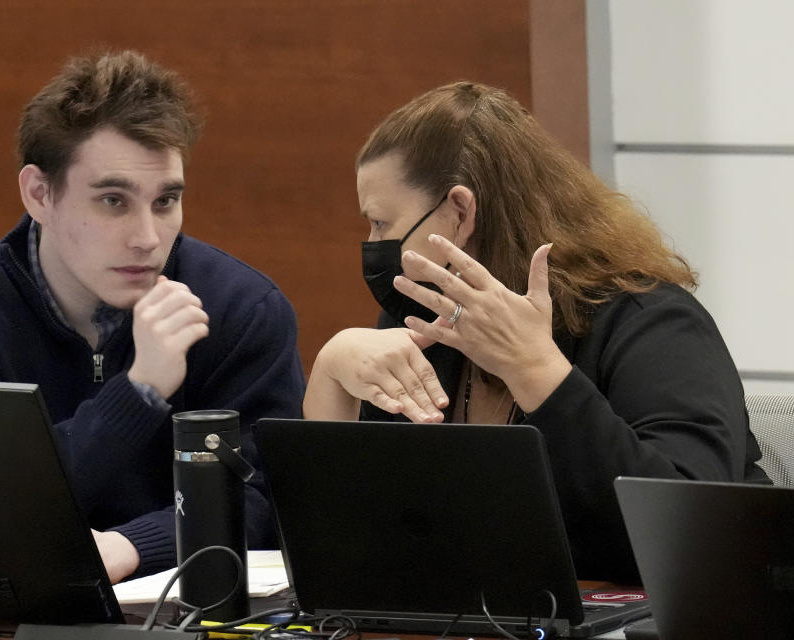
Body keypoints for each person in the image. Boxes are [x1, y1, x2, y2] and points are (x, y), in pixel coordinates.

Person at [304, 81, 768, 583]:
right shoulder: (426, 322)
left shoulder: (650, 320)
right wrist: (332, 371)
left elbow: (687, 531)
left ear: (460, 212)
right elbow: (346, 543)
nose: (373, 244)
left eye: (380, 223)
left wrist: (537, 371)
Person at [0, 50, 305, 583]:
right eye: (112, 200)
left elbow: (265, 501)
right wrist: (140, 391)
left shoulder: (241, 309)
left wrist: (132, 546)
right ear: (40, 193)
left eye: (166, 200)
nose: (147, 238)